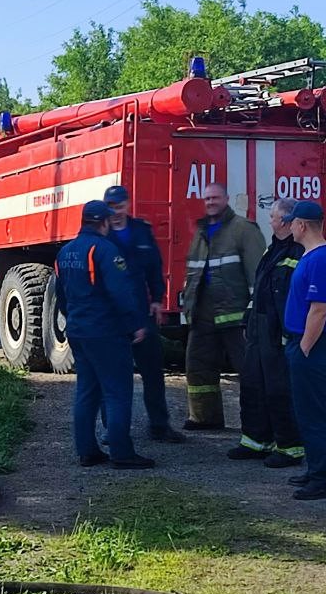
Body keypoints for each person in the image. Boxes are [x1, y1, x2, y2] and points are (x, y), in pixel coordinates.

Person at [55, 201, 154, 469]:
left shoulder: (65, 252)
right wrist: (136, 324)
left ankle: (87, 450)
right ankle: (122, 453)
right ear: (104, 222)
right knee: (117, 391)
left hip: (78, 330)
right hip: (106, 332)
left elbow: (60, 294)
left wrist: (73, 317)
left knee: (87, 392)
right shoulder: (106, 250)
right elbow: (121, 292)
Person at [103, 184, 185, 443]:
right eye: (111, 207)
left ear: (128, 205)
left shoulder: (141, 231)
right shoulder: (102, 234)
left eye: (119, 206)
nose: (116, 212)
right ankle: (113, 429)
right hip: (114, 315)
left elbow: (154, 267)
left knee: (153, 372)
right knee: (116, 374)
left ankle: (160, 426)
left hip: (141, 310)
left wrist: (158, 299)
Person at [181, 182, 266, 430]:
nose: (210, 202)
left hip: (235, 314)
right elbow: (193, 271)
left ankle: (258, 425)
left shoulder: (244, 229)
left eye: (215, 198)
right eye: (207, 198)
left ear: (226, 199)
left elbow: (256, 274)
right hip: (202, 311)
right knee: (198, 368)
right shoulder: (201, 231)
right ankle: (205, 418)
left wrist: (255, 312)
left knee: (250, 371)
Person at [229, 197, 305, 467]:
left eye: (272, 216)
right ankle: (255, 441)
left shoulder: (298, 253)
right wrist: (249, 315)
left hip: (279, 334)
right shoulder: (271, 250)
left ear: (285, 221)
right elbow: (260, 288)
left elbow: (296, 299)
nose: (269, 220)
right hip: (259, 329)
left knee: (279, 390)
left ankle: (289, 447)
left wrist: (291, 333)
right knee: (252, 385)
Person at [281, 200, 326, 500]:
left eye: (292, 222)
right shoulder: (312, 256)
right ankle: (315, 467)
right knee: (305, 411)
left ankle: (322, 478)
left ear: (302, 225)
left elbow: (319, 310)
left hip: (310, 345)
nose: (289, 226)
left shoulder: (319, 260)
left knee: (314, 413)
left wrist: (303, 347)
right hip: (302, 342)